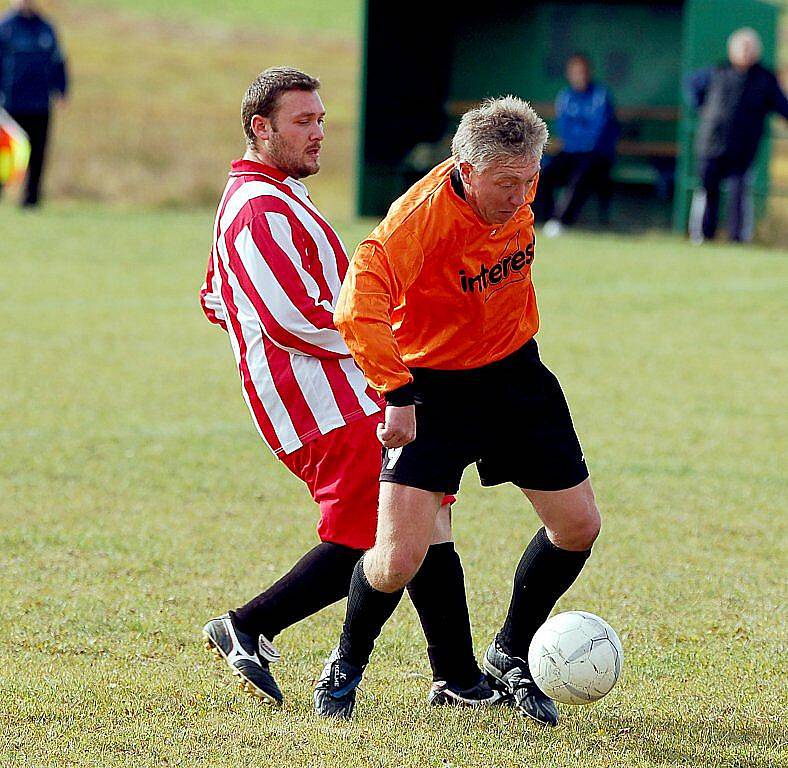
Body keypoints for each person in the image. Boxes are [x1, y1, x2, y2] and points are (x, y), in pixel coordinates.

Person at [199, 67, 503, 709]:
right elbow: (293, 318)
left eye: (321, 119)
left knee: (424, 517)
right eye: (302, 122)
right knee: (382, 532)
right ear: (261, 128)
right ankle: (248, 626)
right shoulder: (257, 208)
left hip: (347, 391)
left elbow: (216, 295)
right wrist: (386, 339)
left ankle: (458, 678)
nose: (317, 134)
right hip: (320, 405)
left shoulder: (275, 194)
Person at [313, 96, 601, 727]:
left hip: (516, 374)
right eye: (507, 184)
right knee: (396, 558)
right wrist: (396, 393)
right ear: (465, 170)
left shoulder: (518, 188)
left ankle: (510, 652)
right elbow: (355, 308)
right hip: (433, 389)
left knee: (578, 526)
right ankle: (345, 663)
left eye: (531, 179)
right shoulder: (414, 224)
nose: (522, 194)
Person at [687, 28, 788, 244]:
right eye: (741, 47)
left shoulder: (764, 79)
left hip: (743, 149)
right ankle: (702, 237)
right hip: (711, 144)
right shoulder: (716, 72)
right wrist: (704, 110)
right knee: (707, 190)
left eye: (749, 47)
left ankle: (738, 239)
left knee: (739, 194)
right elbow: (692, 86)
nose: (745, 52)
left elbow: (783, 107)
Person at [534, 54, 618, 237]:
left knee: (581, 174)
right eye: (575, 72)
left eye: (582, 72)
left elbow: (599, 129)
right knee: (544, 173)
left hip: (597, 155)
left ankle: (561, 221)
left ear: (589, 72)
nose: (579, 76)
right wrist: (577, 140)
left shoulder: (600, 95)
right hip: (571, 151)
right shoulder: (565, 96)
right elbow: (564, 129)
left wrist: (582, 140)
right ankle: (542, 219)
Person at [0, 0, 67, 207]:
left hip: (39, 103)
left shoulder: (46, 27)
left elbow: (57, 61)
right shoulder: (6, 27)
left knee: (38, 153)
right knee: (6, 153)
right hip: (11, 103)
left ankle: (31, 200)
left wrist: (62, 88)